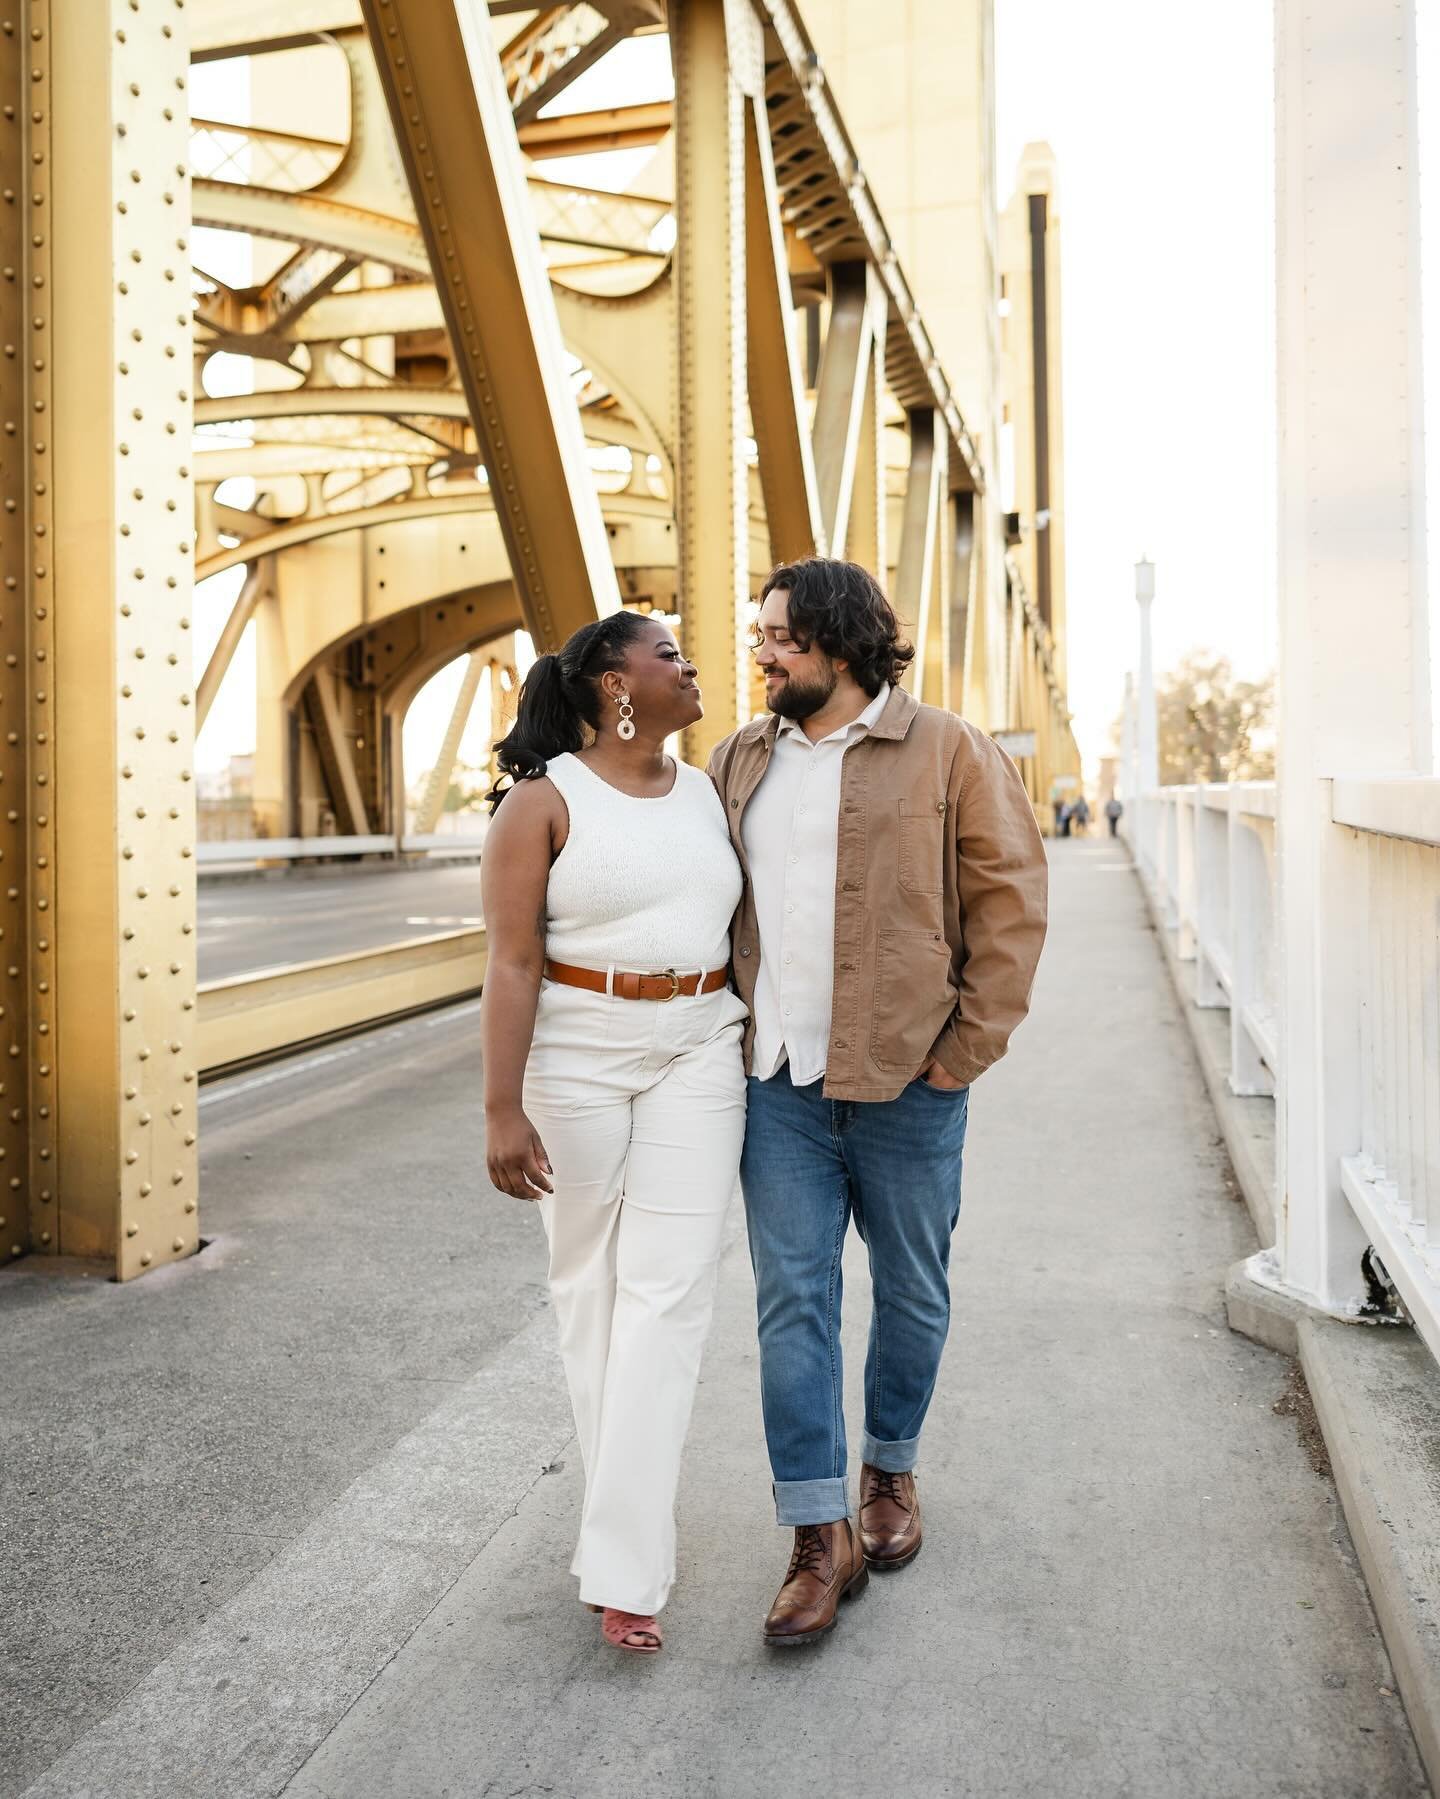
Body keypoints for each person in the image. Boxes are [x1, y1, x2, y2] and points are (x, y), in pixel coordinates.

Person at [709, 557, 1048, 1648]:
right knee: (790, 1301)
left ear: (844, 647)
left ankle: (889, 1466)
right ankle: (819, 1532)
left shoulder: (947, 747)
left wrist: (965, 1052)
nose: (761, 652)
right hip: (780, 1086)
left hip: (910, 1082)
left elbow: (1010, 899)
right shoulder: (739, 757)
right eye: (760, 634)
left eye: (781, 638)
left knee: (911, 1292)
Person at [480, 610, 747, 1658]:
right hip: (576, 1055)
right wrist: (502, 1107)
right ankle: (620, 1528)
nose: (692, 665)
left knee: (669, 1295)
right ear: (610, 682)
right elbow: (509, 964)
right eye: (669, 652)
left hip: (699, 1043)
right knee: (587, 1291)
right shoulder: (540, 804)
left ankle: (626, 1567)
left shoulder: (712, 791)